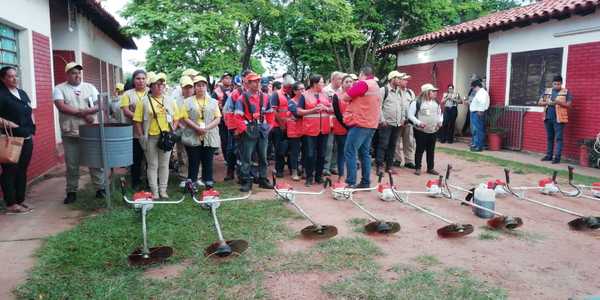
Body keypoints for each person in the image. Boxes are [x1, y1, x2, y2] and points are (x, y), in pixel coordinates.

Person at [53, 62, 105, 204]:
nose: (77, 75)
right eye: (73, 73)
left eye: (79, 73)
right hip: (70, 132)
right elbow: (62, 106)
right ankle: (71, 191)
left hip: (90, 131)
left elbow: (99, 104)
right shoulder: (59, 89)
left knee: (95, 161)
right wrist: (84, 114)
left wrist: (86, 112)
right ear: (67, 74)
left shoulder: (90, 87)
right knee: (72, 164)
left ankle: (100, 188)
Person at [133, 72, 180, 199]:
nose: (160, 87)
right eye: (157, 84)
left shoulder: (170, 100)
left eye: (162, 84)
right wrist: (142, 136)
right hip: (151, 137)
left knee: (164, 165)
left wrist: (172, 131)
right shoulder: (143, 101)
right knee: (152, 165)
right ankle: (154, 191)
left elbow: (176, 118)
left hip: (166, 137)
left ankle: (163, 190)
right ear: (151, 86)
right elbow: (137, 120)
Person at [0, 66, 35, 213]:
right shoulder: (1, 95)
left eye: (16, 76)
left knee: (22, 170)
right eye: (10, 76)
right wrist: (9, 124)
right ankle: (11, 203)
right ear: (3, 79)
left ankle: (20, 200)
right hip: (11, 139)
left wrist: (33, 125)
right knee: (10, 171)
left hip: (26, 137)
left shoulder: (22, 93)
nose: (15, 79)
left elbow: (29, 110)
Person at [340, 65, 381, 188]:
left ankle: (350, 182)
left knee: (350, 151)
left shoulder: (364, 84)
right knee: (364, 153)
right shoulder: (375, 84)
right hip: (371, 124)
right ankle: (365, 182)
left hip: (360, 123)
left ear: (362, 73)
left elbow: (346, 97)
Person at [233, 72, 274, 192]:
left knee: (263, 156)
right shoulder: (242, 98)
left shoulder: (265, 97)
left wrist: (269, 127)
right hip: (249, 131)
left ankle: (262, 179)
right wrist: (244, 130)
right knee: (246, 157)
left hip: (262, 130)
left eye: (258, 81)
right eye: (254, 81)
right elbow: (237, 117)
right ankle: (246, 180)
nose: (257, 83)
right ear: (248, 83)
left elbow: (270, 113)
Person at [181, 76, 221, 189]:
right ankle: (192, 182)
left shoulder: (213, 102)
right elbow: (185, 117)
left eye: (203, 85)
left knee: (208, 161)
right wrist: (197, 128)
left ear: (206, 87)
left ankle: (208, 182)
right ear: (194, 87)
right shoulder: (187, 101)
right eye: (198, 85)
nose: (200, 88)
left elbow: (217, 118)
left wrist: (206, 128)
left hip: (209, 135)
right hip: (193, 134)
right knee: (193, 161)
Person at [294, 74, 332, 187]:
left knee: (322, 154)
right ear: (315, 84)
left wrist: (326, 108)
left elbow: (332, 109)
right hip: (310, 130)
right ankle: (309, 177)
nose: (323, 84)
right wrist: (312, 110)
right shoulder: (304, 95)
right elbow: (298, 111)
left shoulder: (325, 94)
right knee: (310, 154)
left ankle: (318, 176)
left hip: (324, 130)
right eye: (322, 82)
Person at [120, 70, 149, 190]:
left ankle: (150, 181)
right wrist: (141, 117)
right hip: (134, 132)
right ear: (133, 80)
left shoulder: (152, 91)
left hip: (150, 131)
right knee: (136, 158)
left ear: (146, 80)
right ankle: (136, 182)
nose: (141, 81)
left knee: (150, 159)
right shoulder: (127, 94)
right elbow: (126, 111)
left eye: (143, 78)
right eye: (138, 78)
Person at [375, 71, 406, 175]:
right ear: (392, 79)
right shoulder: (384, 90)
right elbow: (378, 106)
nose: (400, 80)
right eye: (398, 78)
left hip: (397, 123)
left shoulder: (400, 91)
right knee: (383, 144)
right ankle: (379, 166)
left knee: (392, 145)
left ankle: (389, 166)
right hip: (386, 123)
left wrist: (403, 118)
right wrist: (382, 119)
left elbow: (402, 106)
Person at [409, 84, 443, 176]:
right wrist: (419, 123)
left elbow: (440, 114)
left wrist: (440, 121)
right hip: (421, 130)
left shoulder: (436, 102)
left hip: (433, 130)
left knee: (431, 150)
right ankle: (418, 168)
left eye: (435, 91)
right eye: (433, 91)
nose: (435, 93)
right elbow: (410, 115)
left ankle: (430, 168)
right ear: (426, 92)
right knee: (420, 149)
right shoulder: (417, 102)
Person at [538, 75, 572, 164]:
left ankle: (557, 158)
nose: (556, 86)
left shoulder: (566, 92)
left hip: (559, 119)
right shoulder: (547, 91)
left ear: (561, 83)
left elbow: (569, 105)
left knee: (559, 138)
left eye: (558, 84)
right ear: (552, 83)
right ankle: (549, 156)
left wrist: (559, 102)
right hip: (547, 118)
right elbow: (540, 102)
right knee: (549, 138)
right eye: (555, 84)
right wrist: (548, 102)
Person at [271, 74, 294, 178]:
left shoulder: (291, 95)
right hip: (278, 126)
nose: (291, 89)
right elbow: (274, 111)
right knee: (280, 149)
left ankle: (291, 168)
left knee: (290, 149)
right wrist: (281, 124)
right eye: (290, 87)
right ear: (286, 86)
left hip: (290, 126)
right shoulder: (276, 94)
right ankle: (279, 170)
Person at [331, 74, 354, 180]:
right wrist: (347, 126)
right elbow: (337, 113)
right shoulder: (336, 96)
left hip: (353, 127)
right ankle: (341, 175)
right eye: (347, 82)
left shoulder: (355, 95)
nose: (349, 84)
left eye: (351, 82)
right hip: (341, 127)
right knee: (342, 151)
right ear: (342, 84)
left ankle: (351, 176)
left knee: (352, 152)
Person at [322, 71, 344, 175]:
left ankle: (333, 166)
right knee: (328, 145)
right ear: (333, 79)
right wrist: (332, 108)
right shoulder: (326, 90)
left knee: (337, 145)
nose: (341, 81)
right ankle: (325, 167)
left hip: (339, 121)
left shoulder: (342, 91)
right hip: (329, 120)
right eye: (339, 79)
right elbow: (324, 105)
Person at [393, 73, 416, 169]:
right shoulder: (395, 91)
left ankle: (409, 160)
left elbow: (414, 106)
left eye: (407, 80)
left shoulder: (410, 92)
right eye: (404, 79)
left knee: (409, 141)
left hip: (408, 121)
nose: (406, 81)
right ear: (399, 80)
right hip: (397, 121)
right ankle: (397, 159)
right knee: (396, 141)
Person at [176, 76, 195, 186]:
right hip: (182, 130)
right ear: (181, 88)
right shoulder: (177, 101)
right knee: (182, 153)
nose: (188, 90)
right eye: (185, 87)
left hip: (195, 131)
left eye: (190, 87)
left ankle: (197, 176)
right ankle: (184, 176)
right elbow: (175, 116)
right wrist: (180, 126)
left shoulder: (197, 98)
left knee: (195, 154)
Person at [213, 72, 234, 160]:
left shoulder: (234, 90)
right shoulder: (217, 91)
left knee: (233, 140)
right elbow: (213, 104)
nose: (228, 80)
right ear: (222, 80)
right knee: (224, 139)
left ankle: (233, 159)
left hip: (233, 119)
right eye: (226, 78)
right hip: (222, 119)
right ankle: (226, 158)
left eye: (229, 78)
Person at [286, 81, 305, 181]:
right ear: (295, 91)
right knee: (295, 152)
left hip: (305, 129)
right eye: (300, 89)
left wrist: (303, 114)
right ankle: (294, 171)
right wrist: (303, 114)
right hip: (294, 131)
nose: (303, 91)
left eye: (303, 89)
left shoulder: (305, 101)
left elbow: (301, 114)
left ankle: (303, 168)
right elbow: (297, 114)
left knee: (306, 150)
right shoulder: (291, 102)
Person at [467, 79, 489, 152]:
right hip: (476, 112)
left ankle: (479, 146)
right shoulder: (480, 92)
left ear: (476, 86)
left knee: (478, 129)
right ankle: (476, 144)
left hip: (477, 113)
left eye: (473, 88)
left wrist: (480, 110)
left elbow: (482, 102)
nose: (473, 89)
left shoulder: (482, 92)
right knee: (476, 129)